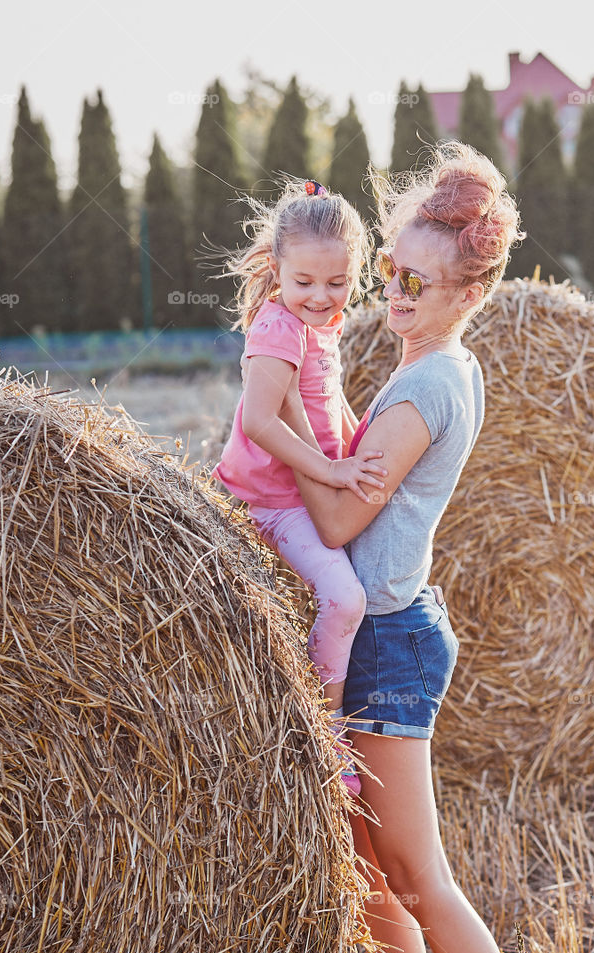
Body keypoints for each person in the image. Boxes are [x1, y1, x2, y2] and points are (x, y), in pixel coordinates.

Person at [284, 143, 550, 953]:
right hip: (386, 628)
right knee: (376, 871)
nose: (390, 292)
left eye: (415, 281)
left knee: (420, 873)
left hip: (389, 637)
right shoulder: (438, 366)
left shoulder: (425, 387)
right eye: (389, 271)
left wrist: (274, 455)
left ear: (467, 290)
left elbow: (344, 523)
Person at [213, 179, 386, 795]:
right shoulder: (278, 329)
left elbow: (326, 399)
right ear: (276, 270)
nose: (321, 296)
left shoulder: (324, 325)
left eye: (337, 283)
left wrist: (362, 437)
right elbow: (260, 421)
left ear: (355, 275)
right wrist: (334, 470)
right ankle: (325, 730)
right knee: (346, 600)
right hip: (270, 500)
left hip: (305, 490)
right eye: (305, 282)